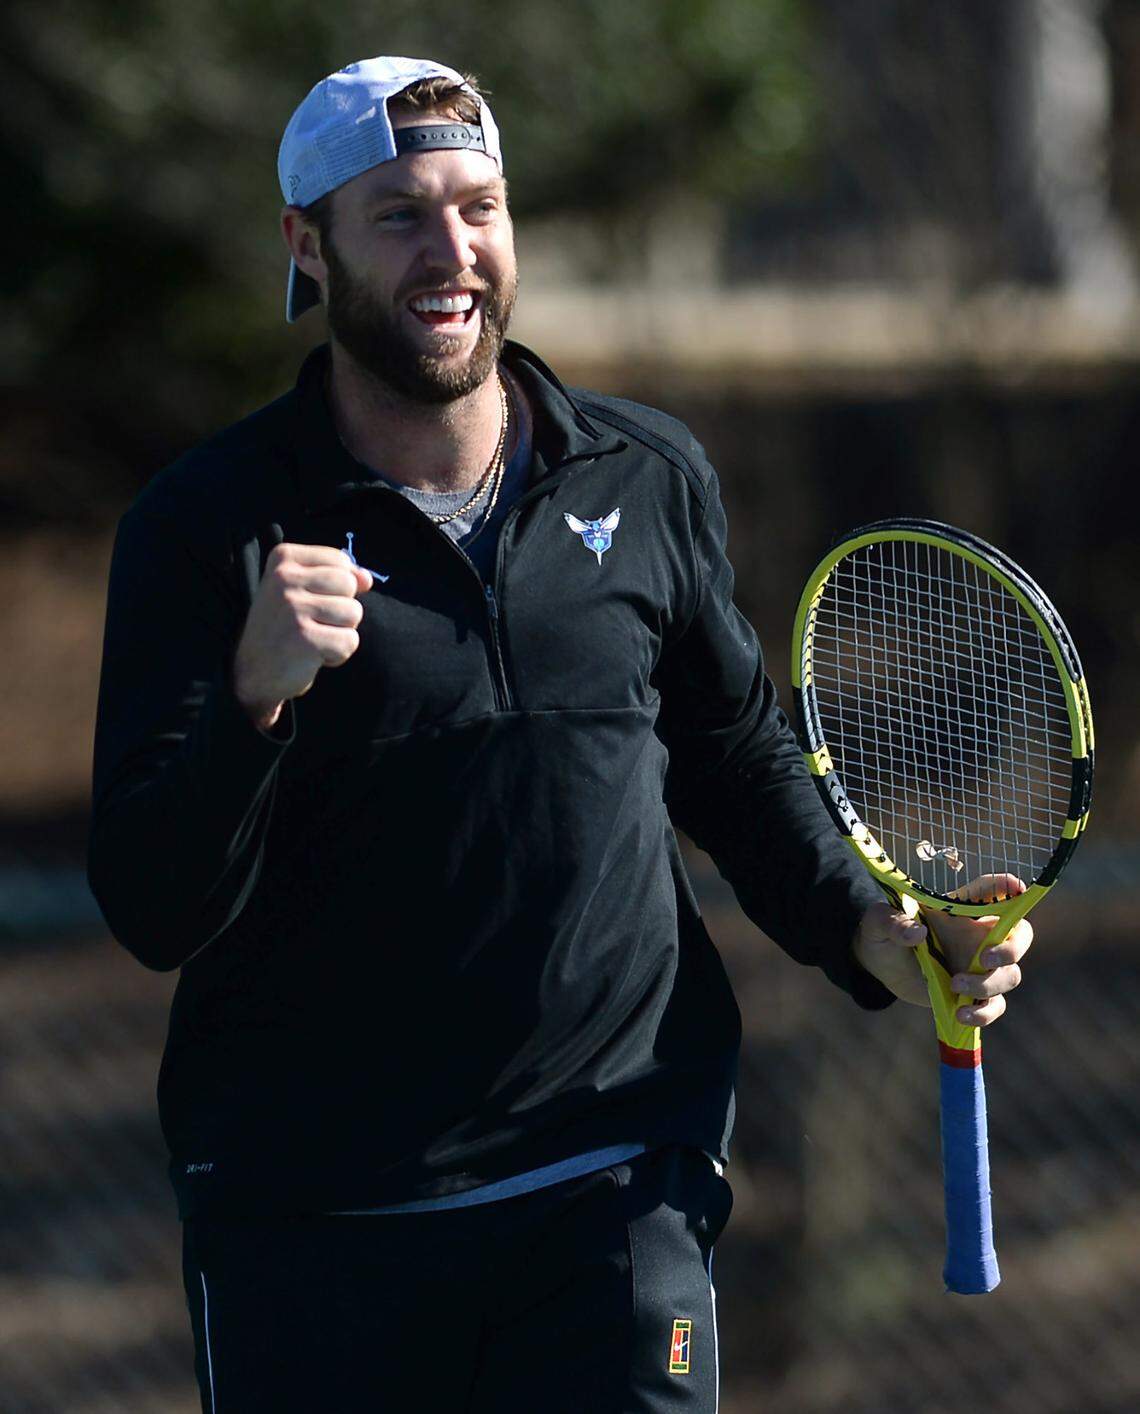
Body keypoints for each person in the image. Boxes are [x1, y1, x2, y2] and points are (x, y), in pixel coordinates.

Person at [88, 55, 1032, 1413]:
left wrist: (870, 929)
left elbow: (736, 754)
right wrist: (255, 697)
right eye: (400, 215)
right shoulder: (205, 525)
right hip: (317, 1227)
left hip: (609, 1181)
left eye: (478, 206)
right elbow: (150, 901)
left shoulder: (642, 476)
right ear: (308, 246)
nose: (451, 251)